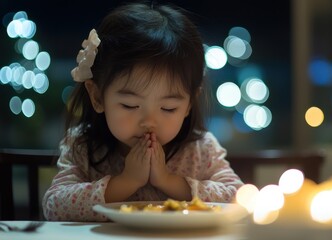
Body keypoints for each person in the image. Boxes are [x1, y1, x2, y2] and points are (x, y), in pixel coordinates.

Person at [42, 1, 244, 221]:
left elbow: (237, 198)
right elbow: (54, 206)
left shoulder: (199, 150)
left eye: (168, 108)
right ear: (98, 97)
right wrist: (126, 182)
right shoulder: (83, 145)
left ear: (188, 105)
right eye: (130, 105)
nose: (149, 121)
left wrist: (168, 181)